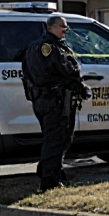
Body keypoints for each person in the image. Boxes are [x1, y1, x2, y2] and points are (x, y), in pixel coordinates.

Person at [21, 16, 88, 192]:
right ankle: (49, 181)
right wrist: (80, 85)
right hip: (55, 100)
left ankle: (53, 173)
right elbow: (66, 70)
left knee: (55, 139)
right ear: (50, 27)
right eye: (62, 27)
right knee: (57, 139)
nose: (65, 31)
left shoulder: (33, 47)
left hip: (42, 100)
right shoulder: (50, 48)